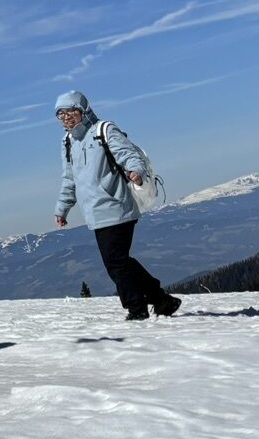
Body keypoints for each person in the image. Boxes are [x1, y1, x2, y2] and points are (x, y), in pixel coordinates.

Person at [53, 90, 180, 321]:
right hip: (94, 212)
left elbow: (129, 155)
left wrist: (136, 172)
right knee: (119, 262)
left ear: (83, 111)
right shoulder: (68, 142)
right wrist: (62, 208)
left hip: (117, 205)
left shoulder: (103, 131)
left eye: (71, 111)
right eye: (61, 114)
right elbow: (69, 178)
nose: (66, 117)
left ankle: (137, 308)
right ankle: (161, 299)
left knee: (116, 263)